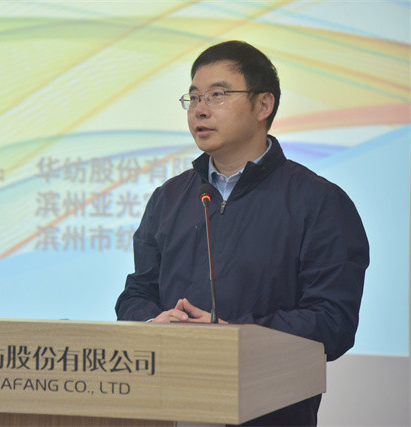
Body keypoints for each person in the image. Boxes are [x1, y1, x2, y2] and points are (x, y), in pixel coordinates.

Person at [115, 40, 369, 426]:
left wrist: (232, 334)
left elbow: (333, 322)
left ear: (263, 105)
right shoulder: (169, 197)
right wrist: (155, 324)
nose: (200, 109)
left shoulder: (318, 201)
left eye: (217, 95)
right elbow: (137, 293)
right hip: (168, 407)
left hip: (267, 411)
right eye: (194, 97)